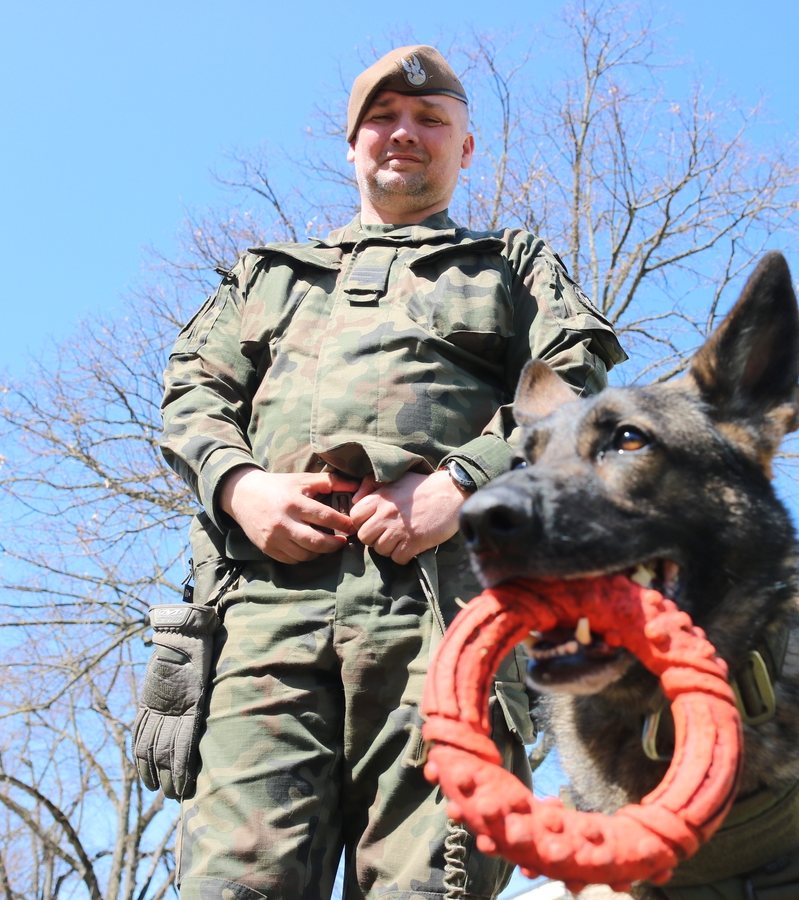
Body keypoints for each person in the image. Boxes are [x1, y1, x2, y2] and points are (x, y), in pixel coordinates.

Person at [157, 45, 626, 900]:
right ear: (352, 144)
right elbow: (192, 391)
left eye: (430, 119)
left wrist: (461, 483)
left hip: (447, 615)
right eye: (383, 118)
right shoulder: (268, 274)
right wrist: (239, 486)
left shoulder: (511, 265)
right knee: (233, 883)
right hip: (262, 614)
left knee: (430, 884)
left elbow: (575, 382)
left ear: (465, 148)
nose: (404, 132)